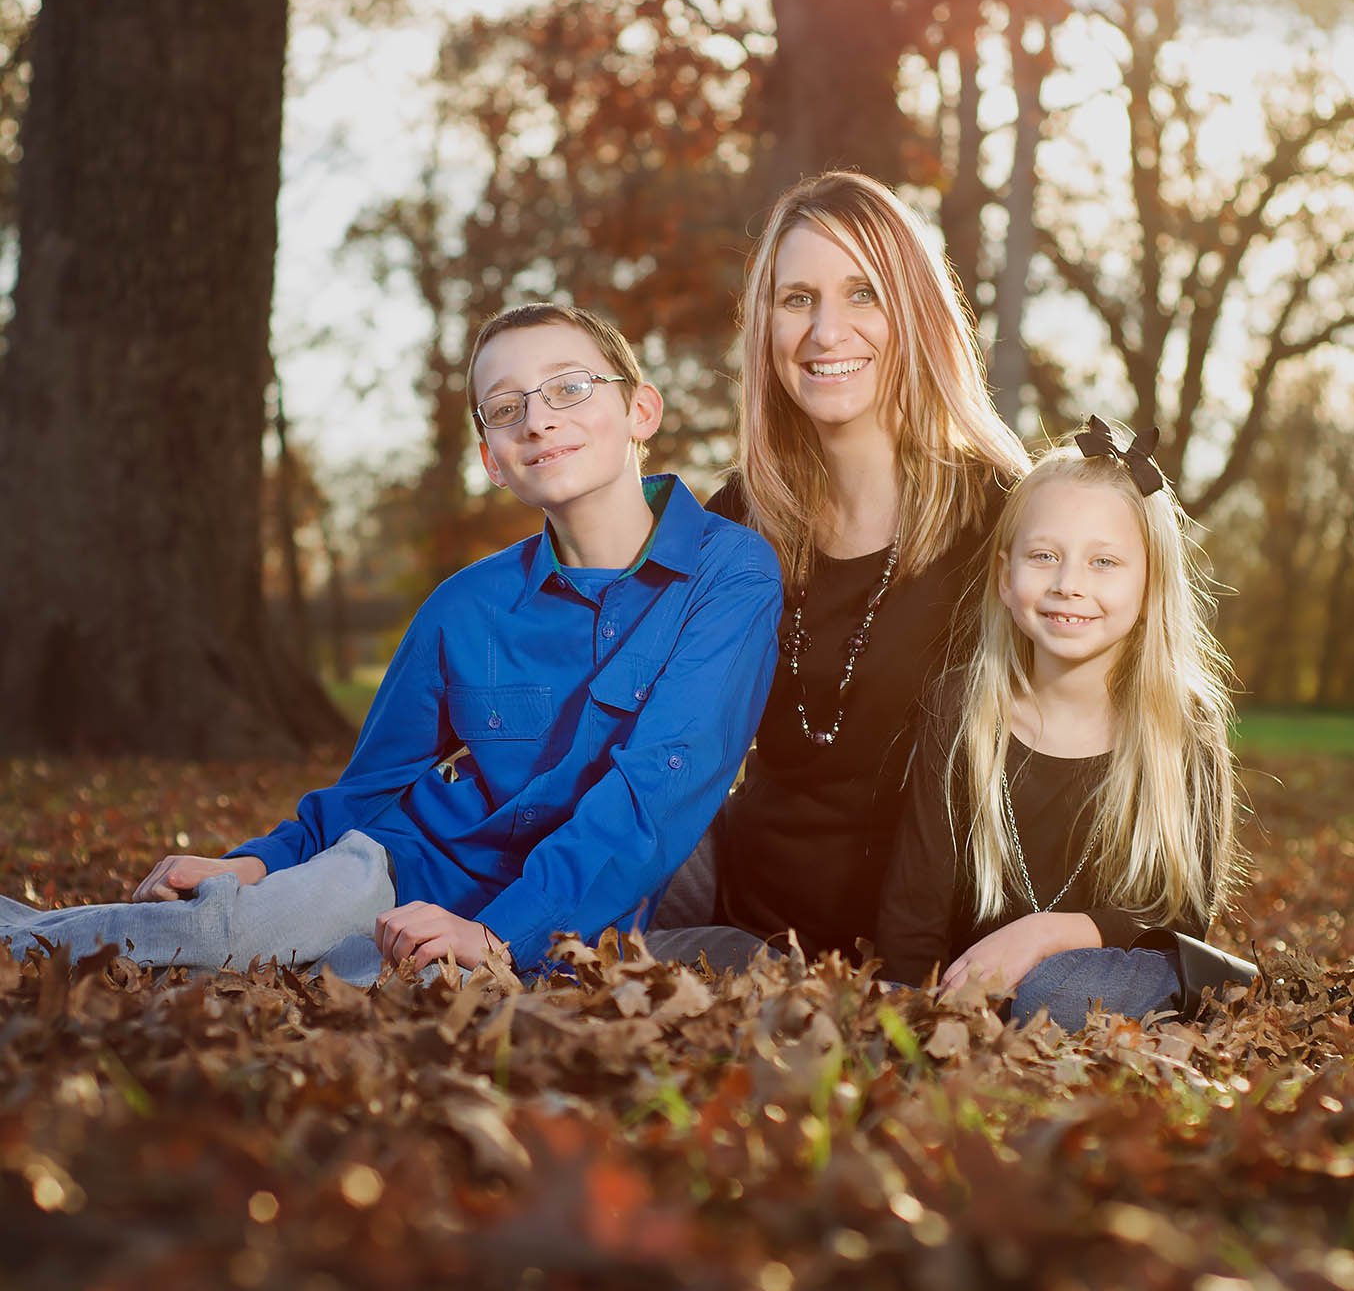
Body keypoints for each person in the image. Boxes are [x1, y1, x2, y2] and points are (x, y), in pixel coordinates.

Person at [0, 304, 782, 985]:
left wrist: (498, 935)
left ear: (641, 410)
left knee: (746, 962)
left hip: (533, 917)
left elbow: (658, 786)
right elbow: (370, 787)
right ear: (491, 462)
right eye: (504, 407)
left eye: (570, 388)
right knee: (219, 938)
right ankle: (20, 938)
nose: (538, 420)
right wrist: (254, 863)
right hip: (403, 867)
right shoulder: (464, 607)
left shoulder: (730, 572)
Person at [657, 169, 1028, 961]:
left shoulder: (1002, 516)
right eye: (798, 299)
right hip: (742, 912)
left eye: (863, 294)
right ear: (765, 326)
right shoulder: (739, 516)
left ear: (916, 313)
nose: (827, 332)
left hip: (924, 941)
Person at [876, 421, 1250, 1028]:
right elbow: (913, 906)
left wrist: (1048, 933)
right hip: (977, 983)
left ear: (1150, 580)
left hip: (1117, 966)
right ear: (1004, 574)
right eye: (1044, 556)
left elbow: (1181, 916)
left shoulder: (1182, 726)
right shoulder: (960, 709)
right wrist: (907, 1014)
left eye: (1104, 562)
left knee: (1058, 991)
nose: (1068, 585)